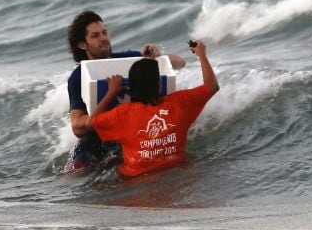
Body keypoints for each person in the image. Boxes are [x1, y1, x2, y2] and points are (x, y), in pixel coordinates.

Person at [66, 10, 186, 171]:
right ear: (82, 44)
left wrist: (158, 57)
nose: (103, 38)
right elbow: (77, 128)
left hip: (135, 133)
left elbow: (180, 62)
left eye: (105, 32)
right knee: (74, 174)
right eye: (95, 36)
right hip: (98, 142)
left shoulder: (127, 60)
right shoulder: (77, 77)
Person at [84, 40, 219, 177]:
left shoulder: (123, 114)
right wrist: (201, 54)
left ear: (131, 88)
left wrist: (111, 92)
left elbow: (89, 123)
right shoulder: (180, 102)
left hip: (134, 182)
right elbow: (212, 86)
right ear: (160, 84)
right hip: (175, 171)